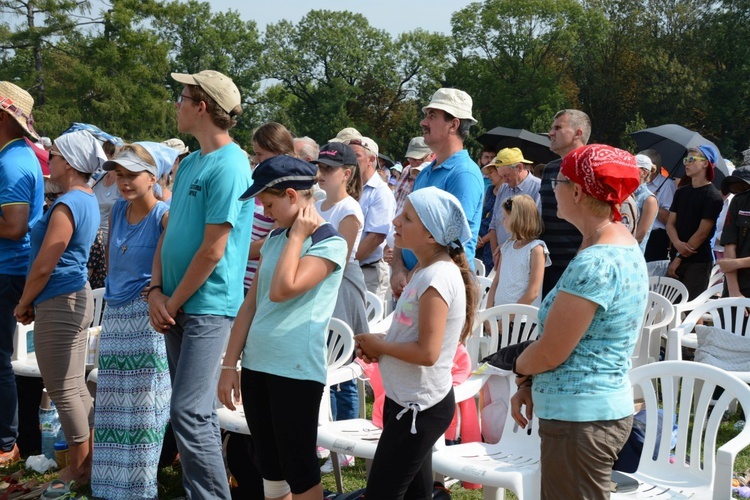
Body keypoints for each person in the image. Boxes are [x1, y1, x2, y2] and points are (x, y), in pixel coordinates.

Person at [510, 144, 648, 499]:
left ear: (576, 191)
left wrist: (518, 364)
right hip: (587, 411)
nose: (549, 188)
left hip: (582, 418)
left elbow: (552, 352)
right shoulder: (613, 244)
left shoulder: (598, 260)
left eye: (557, 181)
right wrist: (528, 382)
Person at [148, 69, 253, 499]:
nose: (177, 103)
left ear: (202, 106)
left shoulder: (231, 164)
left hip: (207, 306)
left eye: (182, 96)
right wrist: (155, 290)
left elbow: (213, 249)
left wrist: (170, 300)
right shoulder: (190, 162)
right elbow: (169, 231)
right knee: (197, 414)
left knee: (188, 413)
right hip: (177, 303)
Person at [218, 155, 347, 500]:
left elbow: (282, 289)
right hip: (258, 365)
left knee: (299, 468)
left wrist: (297, 237)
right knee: (269, 466)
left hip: (295, 370)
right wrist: (230, 364)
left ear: (292, 195)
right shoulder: (277, 239)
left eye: (268, 203)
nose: (263, 212)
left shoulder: (329, 242)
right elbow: (251, 304)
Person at [354, 187, 478, 499]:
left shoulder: (437, 277)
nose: (396, 220)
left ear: (432, 236)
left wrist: (381, 347)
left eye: (407, 217)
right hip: (409, 405)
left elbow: (427, 352)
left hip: (418, 410)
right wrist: (380, 345)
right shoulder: (425, 271)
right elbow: (412, 339)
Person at [14, 130, 103, 485]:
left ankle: (80, 468)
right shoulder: (87, 198)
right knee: (75, 387)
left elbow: (45, 263)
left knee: (62, 389)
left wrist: (25, 301)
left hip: (60, 299)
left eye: (54, 155)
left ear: (69, 162)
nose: (50, 159)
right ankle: (91, 463)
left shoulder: (69, 204)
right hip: (72, 297)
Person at [90, 143, 174, 499]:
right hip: (115, 315)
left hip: (146, 321)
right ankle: (109, 488)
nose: (123, 182)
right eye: (119, 174)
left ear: (152, 177)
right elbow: (112, 267)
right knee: (110, 406)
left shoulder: (165, 216)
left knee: (142, 411)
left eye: (132, 174)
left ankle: (140, 489)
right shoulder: (118, 212)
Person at [391, 88, 484, 298]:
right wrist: (398, 268)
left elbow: (453, 241)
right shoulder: (426, 172)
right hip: (416, 285)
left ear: (454, 124)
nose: (423, 122)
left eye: (432, 116)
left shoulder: (464, 174)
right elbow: (404, 224)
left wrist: (410, 278)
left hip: (438, 290)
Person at [312, 141, 368, 472]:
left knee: (342, 366)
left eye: (329, 169)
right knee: (322, 364)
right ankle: (325, 436)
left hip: (340, 287)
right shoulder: (319, 203)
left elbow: (337, 258)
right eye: (320, 167)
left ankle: (345, 445)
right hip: (318, 286)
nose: (321, 174)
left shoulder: (350, 210)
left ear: (346, 174)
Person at [0, 81, 44, 466]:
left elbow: (13, 227)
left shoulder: (12, 162)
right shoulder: (15, 155)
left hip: (6, 269)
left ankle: (4, 442)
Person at [539, 109, 590, 297]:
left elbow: (597, 220)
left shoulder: (591, 169)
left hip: (578, 268)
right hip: (546, 265)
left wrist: (579, 263)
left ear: (578, 133)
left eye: (558, 127)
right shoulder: (550, 169)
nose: (550, 133)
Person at [666, 146, 723, 299]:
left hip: (698, 261)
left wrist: (679, 256)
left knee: (692, 308)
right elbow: (670, 223)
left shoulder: (713, 197)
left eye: (691, 160)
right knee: (670, 305)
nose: (687, 163)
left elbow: (702, 233)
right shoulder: (681, 192)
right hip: (676, 254)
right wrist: (677, 243)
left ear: (705, 163)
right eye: (686, 159)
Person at [243, 122, 295, 293]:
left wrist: (235, 254)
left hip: (257, 282)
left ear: (278, 151)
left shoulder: (287, 189)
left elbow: (273, 239)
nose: (256, 160)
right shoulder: (259, 181)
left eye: (260, 154)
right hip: (242, 276)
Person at [486, 194, 549, 309]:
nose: (502, 222)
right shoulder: (506, 246)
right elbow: (495, 282)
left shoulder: (536, 250)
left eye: (505, 218)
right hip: (497, 315)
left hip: (521, 320)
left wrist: (508, 318)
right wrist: (488, 312)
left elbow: (533, 292)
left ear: (517, 219)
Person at [351, 136, 395, 301]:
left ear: (371, 159)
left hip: (367, 272)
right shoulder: (350, 188)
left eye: (355, 155)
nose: (349, 160)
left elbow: (375, 237)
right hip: (352, 268)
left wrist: (344, 264)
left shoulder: (381, 192)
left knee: (364, 326)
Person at [487, 148, 541, 269]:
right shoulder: (503, 188)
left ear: (520, 167)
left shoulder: (538, 188)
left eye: (507, 175)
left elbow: (535, 229)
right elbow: (494, 224)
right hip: (500, 258)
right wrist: (495, 253)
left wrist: (508, 248)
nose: (504, 180)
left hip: (522, 261)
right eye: (501, 176)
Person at [718, 167, 750, 297]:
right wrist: (733, 290)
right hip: (738, 282)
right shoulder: (739, 201)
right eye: (735, 187)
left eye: (744, 185)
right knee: (729, 317)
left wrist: (736, 263)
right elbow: (729, 244)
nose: (739, 189)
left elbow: (729, 263)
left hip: (736, 268)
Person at [643, 148, 677, 262]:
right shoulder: (637, 182)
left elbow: (669, 218)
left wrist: (651, 201)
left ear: (654, 167)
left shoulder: (667, 185)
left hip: (655, 238)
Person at [476, 160, 502, 275]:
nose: (488, 175)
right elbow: (483, 214)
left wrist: (483, 240)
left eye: (491, 172)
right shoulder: (490, 190)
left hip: (491, 240)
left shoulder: (506, 192)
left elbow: (499, 221)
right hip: (480, 236)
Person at [633, 154, 658, 253]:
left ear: (644, 173)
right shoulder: (624, 194)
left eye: (633, 168)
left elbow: (639, 236)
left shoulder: (649, 199)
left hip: (631, 256)